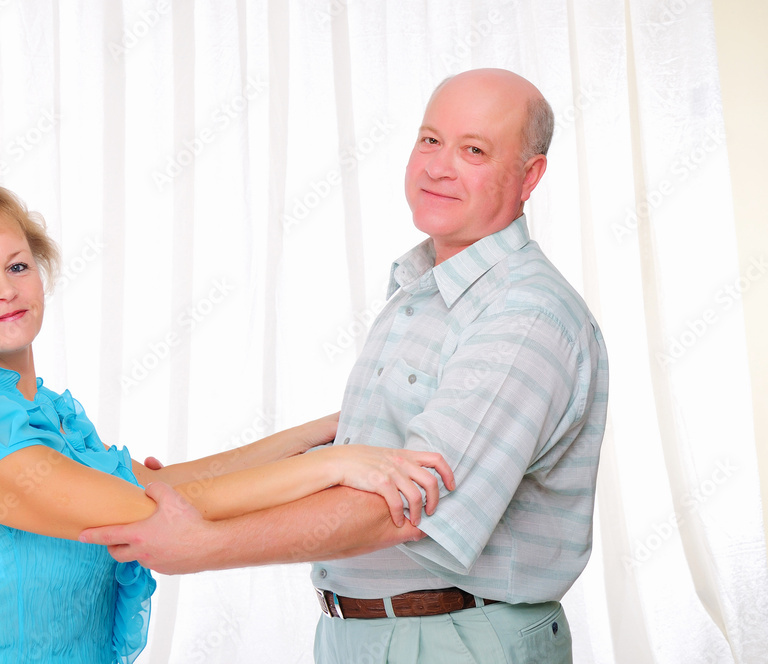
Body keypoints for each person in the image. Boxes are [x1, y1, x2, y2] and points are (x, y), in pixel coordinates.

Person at [80, 68, 609, 664]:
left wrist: (203, 544)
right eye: (430, 140)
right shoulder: (423, 292)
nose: (437, 166)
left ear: (530, 176)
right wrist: (182, 491)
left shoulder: (524, 315)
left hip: (454, 641)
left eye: (474, 150)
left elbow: (404, 510)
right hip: (369, 635)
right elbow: (351, 461)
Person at [0, 182, 454, 664]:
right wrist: (333, 465)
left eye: (16, 266)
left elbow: (167, 482)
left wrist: (324, 431)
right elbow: (154, 513)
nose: (6, 288)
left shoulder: (47, 415)